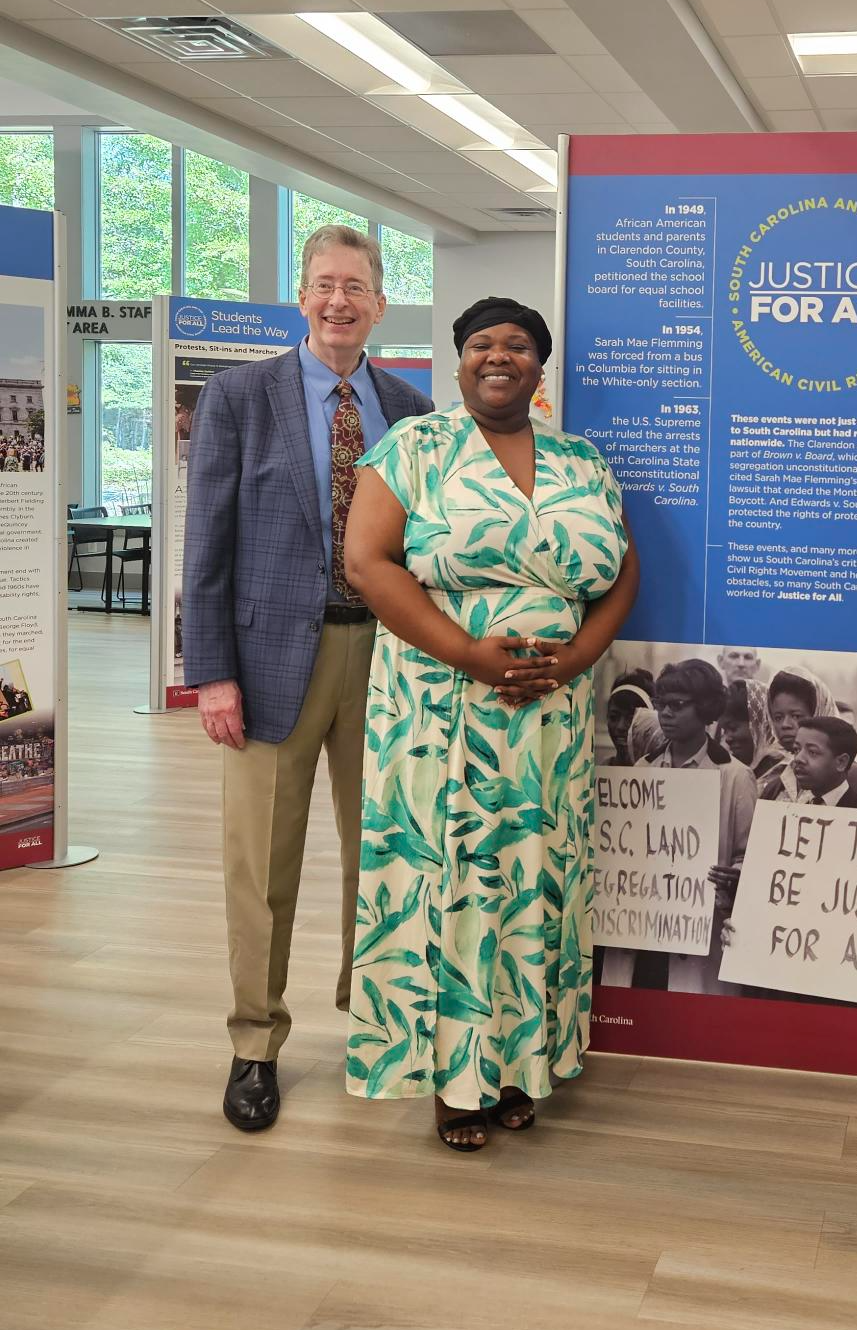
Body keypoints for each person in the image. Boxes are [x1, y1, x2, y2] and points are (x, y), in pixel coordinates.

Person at [339, 296, 637, 1151]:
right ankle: (452, 1081)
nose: (497, 357)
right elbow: (367, 562)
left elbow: (622, 571)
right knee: (454, 881)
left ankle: (518, 1066)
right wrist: (470, 653)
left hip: (550, 717)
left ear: (540, 369)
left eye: (517, 346)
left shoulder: (581, 459)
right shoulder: (415, 448)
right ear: (459, 360)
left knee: (533, 881)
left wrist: (576, 658)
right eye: (480, 344)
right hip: (440, 704)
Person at [182, 224, 432, 1134]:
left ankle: (375, 1022)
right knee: (261, 866)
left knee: (387, 853)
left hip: (389, 661)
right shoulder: (240, 397)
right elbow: (206, 543)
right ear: (302, 295)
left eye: (356, 286)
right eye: (325, 283)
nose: (339, 300)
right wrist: (210, 672)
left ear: (379, 303)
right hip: (266, 662)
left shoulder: (410, 408)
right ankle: (255, 1043)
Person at [637, 659, 756, 994]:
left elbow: (750, 857)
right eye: (662, 705)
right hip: (643, 926)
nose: (667, 714)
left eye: (678, 705)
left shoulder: (735, 776)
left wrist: (735, 875)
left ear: (705, 708)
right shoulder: (641, 769)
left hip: (700, 931)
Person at [762, 667, 857, 808]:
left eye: (796, 716)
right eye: (778, 717)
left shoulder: (852, 777)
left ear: (819, 713)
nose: (785, 725)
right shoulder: (776, 779)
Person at [789, 717, 857, 809]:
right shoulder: (791, 810)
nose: (798, 758)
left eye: (812, 752)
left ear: (841, 762)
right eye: (796, 750)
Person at [719, 678, 786, 783]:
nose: (728, 738)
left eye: (732, 728)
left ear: (759, 724)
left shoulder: (779, 772)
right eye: (725, 731)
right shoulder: (749, 768)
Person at [604, 668, 654, 765]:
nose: (620, 727)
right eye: (614, 717)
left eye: (631, 718)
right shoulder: (600, 772)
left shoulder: (664, 771)